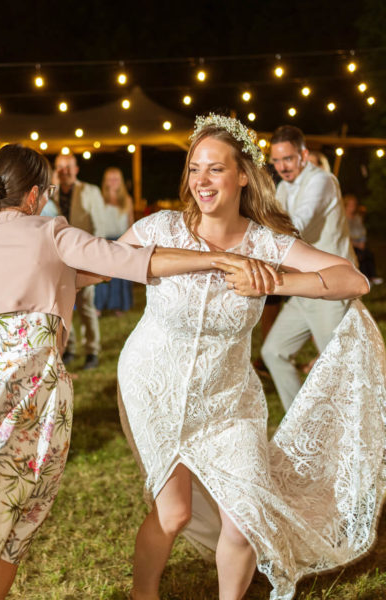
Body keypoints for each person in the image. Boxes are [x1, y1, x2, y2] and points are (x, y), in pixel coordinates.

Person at [0, 143, 244, 600]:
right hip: (32, 394)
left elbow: (55, 276)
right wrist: (215, 258)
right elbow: (134, 262)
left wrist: (88, 269)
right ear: (34, 194)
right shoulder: (52, 231)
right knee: (15, 520)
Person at [116, 114, 378, 600]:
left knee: (245, 518)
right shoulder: (162, 226)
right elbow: (95, 263)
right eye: (195, 169)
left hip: (229, 398)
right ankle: (142, 595)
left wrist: (276, 280)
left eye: (215, 169)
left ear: (242, 175)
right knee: (173, 513)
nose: (202, 181)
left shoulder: (264, 242)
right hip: (155, 383)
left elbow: (353, 280)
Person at [260, 125, 356, 411]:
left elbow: (296, 225)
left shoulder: (322, 181)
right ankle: (301, 422)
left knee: (341, 368)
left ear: (303, 154)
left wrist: (251, 232)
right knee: (273, 351)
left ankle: (360, 431)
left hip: (329, 287)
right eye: (276, 161)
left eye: (287, 159)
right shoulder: (282, 187)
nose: (282, 167)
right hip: (302, 288)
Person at [41, 151, 106, 369]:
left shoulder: (90, 192)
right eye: (60, 167)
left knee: (87, 306)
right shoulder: (50, 194)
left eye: (68, 167)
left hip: (85, 256)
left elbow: (100, 226)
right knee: (63, 306)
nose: (64, 171)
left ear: (76, 169)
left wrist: (99, 258)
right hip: (58, 259)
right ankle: (70, 347)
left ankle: (93, 351)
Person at [94, 167, 135, 315]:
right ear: (105, 181)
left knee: (119, 276)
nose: (113, 182)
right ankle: (99, 306)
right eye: (110, 179)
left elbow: (131, 223)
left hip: (121, 240)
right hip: (104, 240)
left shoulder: (127, 200)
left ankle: (119, 306)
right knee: (102, 275)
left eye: (116, 178)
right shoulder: (98, 198)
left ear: (121, 181)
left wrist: (132, 243)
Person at [344, 193, 381, 285]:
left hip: (360, 243)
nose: (353, 207)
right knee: (360, 255)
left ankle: (372, 277)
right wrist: (356, 244)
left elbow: (362, 232)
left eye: (354, 204)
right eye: (351, 205)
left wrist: (362, 242)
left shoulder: (357, 218)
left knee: (368, 254)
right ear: (346, 206)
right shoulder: (343, 219)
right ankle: (365, 279)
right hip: (350, 245)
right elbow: (344, 236)